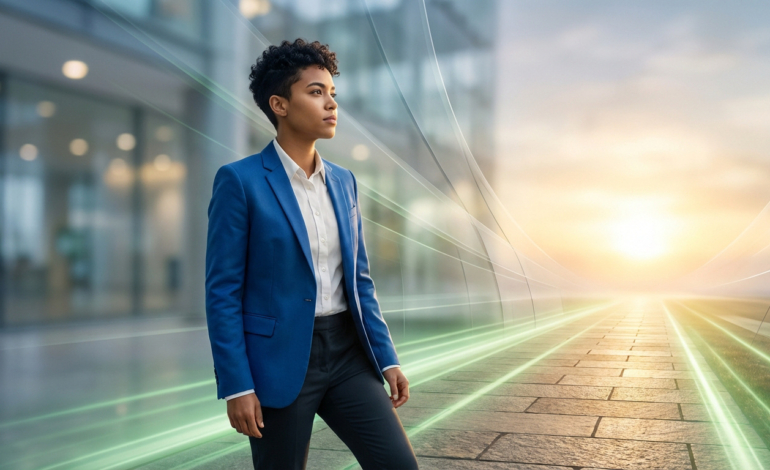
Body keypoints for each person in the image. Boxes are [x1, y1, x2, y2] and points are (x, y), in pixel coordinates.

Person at [204, 38, 419, 470]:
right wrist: (237, 386)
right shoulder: (240, 182)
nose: (331, 104)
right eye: (316, 92)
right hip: (278, 362)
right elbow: (222, 291)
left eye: (332, 93)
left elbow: (359, 280)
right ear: (279, 105)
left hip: (347, 355)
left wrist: (386, 356)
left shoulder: (344, 182)